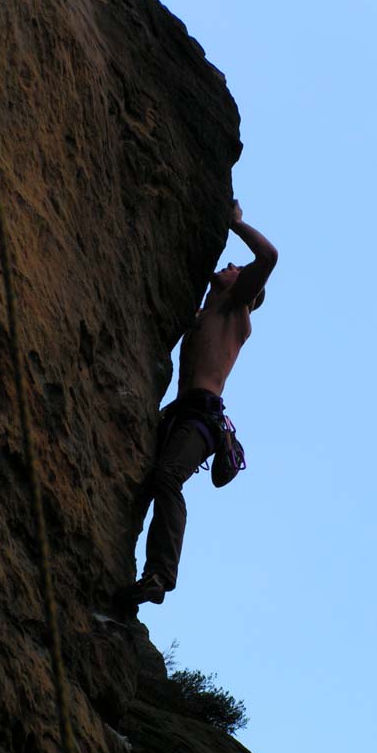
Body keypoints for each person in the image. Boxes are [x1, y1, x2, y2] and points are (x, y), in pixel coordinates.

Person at [127, 201, 278, 605]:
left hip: (201, 419)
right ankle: (129, 570)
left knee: (166, 477)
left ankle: (160, 575)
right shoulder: (204, 313)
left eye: (237, 271)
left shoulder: (234, 308)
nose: (231, 266)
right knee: (141, 484)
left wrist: (236, 224)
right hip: (179, 415)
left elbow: (269, 257)